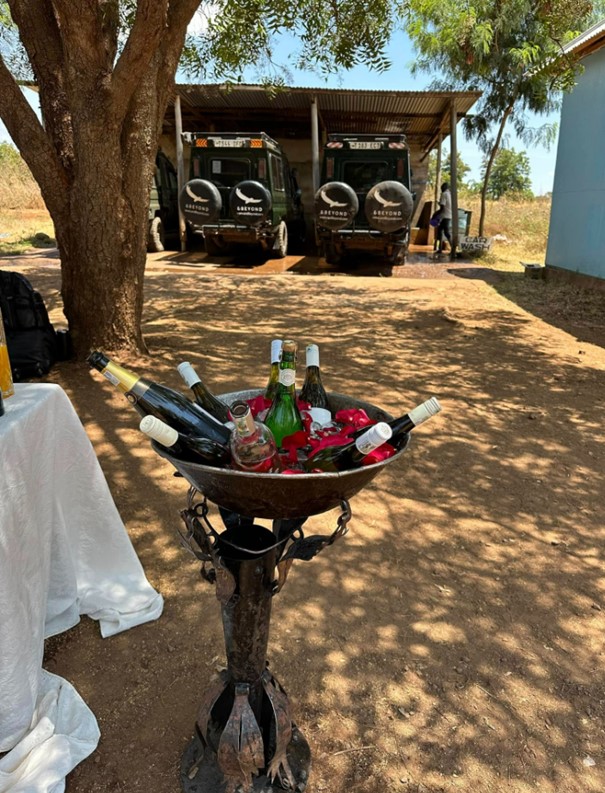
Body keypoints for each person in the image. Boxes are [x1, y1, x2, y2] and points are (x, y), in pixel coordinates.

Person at [437, 182, 452, 254]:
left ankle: (453, 247)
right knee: (441, 231)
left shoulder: (444, 194)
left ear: (444, 188)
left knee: (445, 232)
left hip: (444, 215)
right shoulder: (450, 194)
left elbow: (442, 207)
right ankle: (440, 249)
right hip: (449, 215)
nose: (441, 190)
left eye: (441, 188)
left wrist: (436, 214)